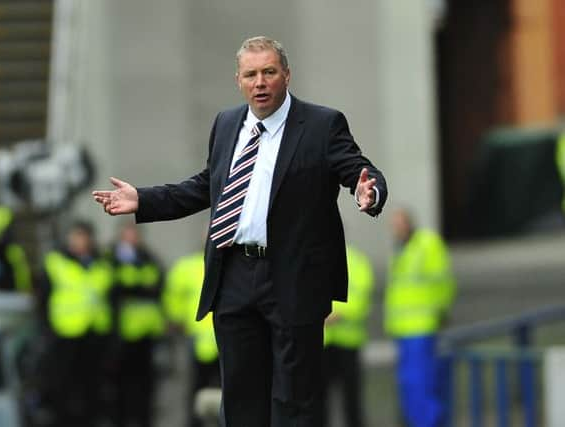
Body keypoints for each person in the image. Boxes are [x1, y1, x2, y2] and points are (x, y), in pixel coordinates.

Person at [93, 36, 388, 426]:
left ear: (286, 75)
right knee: (240, 400)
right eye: (251, 74)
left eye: (269, 72)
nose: (260, 82)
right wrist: (143, 200)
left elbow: (358, 170)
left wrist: (370, 191)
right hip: (234, 275)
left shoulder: (321, 124)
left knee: (293, 401)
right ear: (239, 80)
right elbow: (206, 186)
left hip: (293, 277)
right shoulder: (228, 123)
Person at [36, 220, 114, 427]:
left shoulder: (102, 264)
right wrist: (46, 329)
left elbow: (110, 299)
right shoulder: (56, 262)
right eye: (75, 236)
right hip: (64, 333)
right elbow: (42, 298)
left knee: (91, 386)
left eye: (83, 236)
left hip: (95, 333)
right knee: (62, 386)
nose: (79, 241)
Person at [384, 208, 456, 427]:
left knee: (421, 384)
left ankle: (429, 423)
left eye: (399, 223)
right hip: (404, 329)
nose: (396, 229)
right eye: (393, 225)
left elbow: (443, 280)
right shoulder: (401, 250)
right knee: (411, 385)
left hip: (421, 327)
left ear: (409, 223)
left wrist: (441, 311)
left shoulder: (426, 244)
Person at [107, 221, 166, 427]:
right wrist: (139, 288)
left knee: (145, 384)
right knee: (120, 384)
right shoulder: (112, 259)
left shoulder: (149, 258)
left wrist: (133, 288)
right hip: (121, 333)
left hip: (147, 332)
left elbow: (158, 285)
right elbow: (114, 289)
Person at [164, 250, 220, 427]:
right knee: (197, 387)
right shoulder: (187, 266)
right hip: (198, 339)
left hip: (223, 337)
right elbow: (174, 295)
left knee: (227, 389)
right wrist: (175, 319)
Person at [322, 245, 374, 427]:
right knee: (319, 402)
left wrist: (335, 314)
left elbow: (360, 298)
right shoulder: (313, 257)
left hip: (347, 341)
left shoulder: (355, 261)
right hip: (322, 343)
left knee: (351, 400)